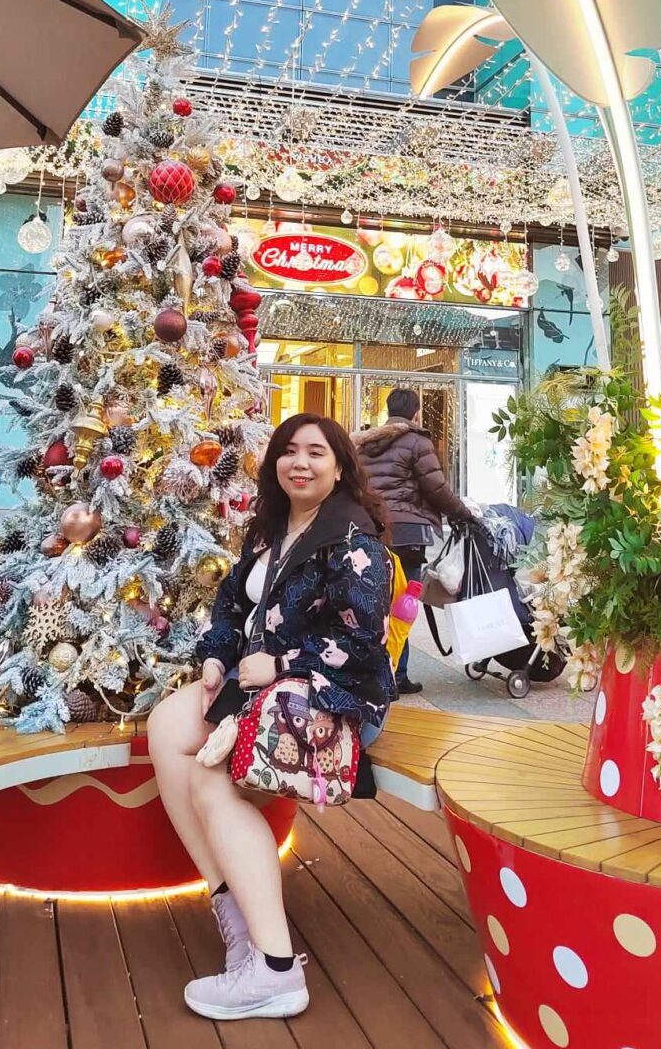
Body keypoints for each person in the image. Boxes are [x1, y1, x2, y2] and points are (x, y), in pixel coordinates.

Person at [147, 412, 394, 1022]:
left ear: (340, 467)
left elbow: (362, 643)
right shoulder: (270, 528)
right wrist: (215, 658)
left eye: (316, 451)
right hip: (261, 684)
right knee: (167, 727)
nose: (300, 462)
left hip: (335, 694)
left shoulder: (353, 540)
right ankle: (236, 916)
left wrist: (280, 661)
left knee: (211, 777)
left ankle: (276, 970)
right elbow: (231, 606)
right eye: (289, 451)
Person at [354, 386, 477, 695]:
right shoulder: (417, 441)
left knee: (375, 600)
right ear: (416, 413)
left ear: (388, 410)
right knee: (403, 603)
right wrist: (464, 514)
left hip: (373, 529)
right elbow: (436, 488)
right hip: (407, 533)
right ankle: (397, 674)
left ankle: (369, 670)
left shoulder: (365, 445)